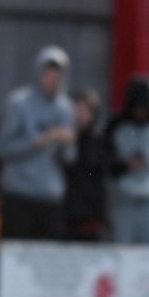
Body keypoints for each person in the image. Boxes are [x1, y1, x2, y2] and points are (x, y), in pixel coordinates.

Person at [0, 45, 75, 240]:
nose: (53, 79)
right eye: (49, 73)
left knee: (46, 254)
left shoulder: (65, 108)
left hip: (50, 197)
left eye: (57, 74)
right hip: (19, 194)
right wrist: (40, 141)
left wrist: (65, 144)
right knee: (14, 253)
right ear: (39, 73)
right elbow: (2, 149)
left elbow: (69, 158)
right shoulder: (19, 103)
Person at [105, 76, 149, 245]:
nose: (140, 113)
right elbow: (105, 162)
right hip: (124, 202)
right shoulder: (116, 126)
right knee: (123, 251)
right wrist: (125, 165)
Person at [64, 88, 107, 241]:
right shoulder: (62, 139)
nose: (80, 115)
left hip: (90, 218)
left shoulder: (99, 142)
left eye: (85, 110)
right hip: (63, 216)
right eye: (77, 109)